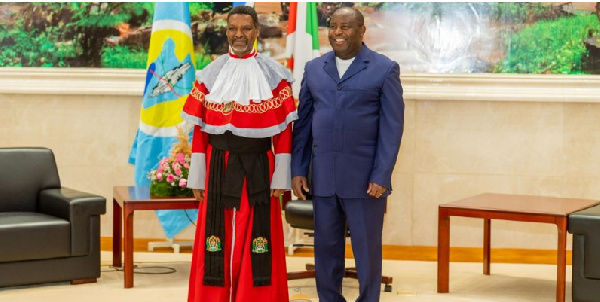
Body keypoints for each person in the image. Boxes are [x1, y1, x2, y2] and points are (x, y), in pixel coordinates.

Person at [181, 5, 296, 302]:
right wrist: (198, 176)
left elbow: (284, 133)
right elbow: (200, 131)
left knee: (258, 239)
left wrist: (281, 178)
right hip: (219, 166)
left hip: (260, 166)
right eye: (233, 29)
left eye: (246, 28)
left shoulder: (275, 75)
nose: (239, 35)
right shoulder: (211, 73)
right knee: (216, 238)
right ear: (226, 31)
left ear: (256, 31)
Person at [291, 7, 404, 302]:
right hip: (323, 178)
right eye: (333, 27)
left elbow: (392, 129)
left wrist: (382, 174)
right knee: (326, 251)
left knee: (366, 251)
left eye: (346, 27)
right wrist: (298, 169)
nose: (338, 32)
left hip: (365, 181)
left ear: (362, 31)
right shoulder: (313, 69)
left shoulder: (384, 68)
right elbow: (302, 125)